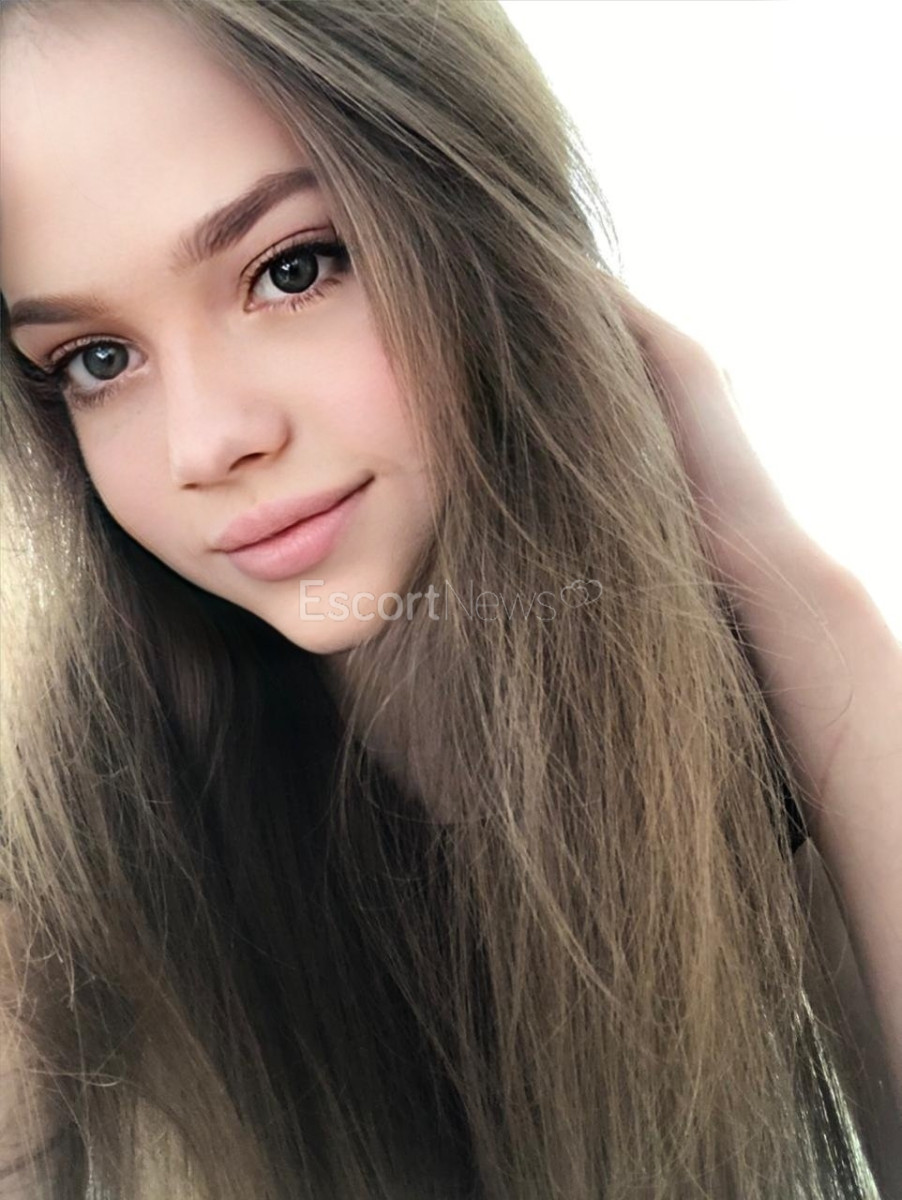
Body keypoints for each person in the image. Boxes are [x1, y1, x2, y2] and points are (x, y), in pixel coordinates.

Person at [0, 1, 898, 1196]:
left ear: (488, 239)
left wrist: (804, 603)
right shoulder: (61, 883)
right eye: (96, 360)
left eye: (291, 269)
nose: (206, 443)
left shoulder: (736, 743)